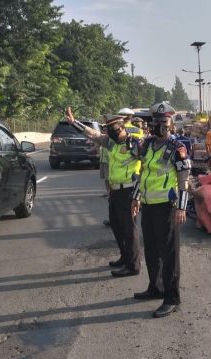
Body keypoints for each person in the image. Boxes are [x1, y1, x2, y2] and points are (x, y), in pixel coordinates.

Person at [131, 102, 191, 318]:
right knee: (152, 251)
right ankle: (155, 287)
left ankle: (172, 297)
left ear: (171, 123)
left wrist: (181, 207)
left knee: (169, 254)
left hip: (168, 207)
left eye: (163, 122)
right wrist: (136, 197)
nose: (159, 126)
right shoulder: (147, 145)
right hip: (147, 205)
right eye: (155, 122)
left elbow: (184, 180)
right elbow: (142, 173)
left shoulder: (177, 148)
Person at [65, 107, 142, 277]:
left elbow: (146, 167)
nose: (111, 133)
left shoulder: (134, 144)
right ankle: (124, 256)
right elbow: (93, 135)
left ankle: (133, 265)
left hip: (129, 191)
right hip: (115, 192)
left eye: (114, 129)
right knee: (116, 226)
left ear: (122, 127)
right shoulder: (111, 143)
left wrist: (138, 194)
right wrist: (74, 123)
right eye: (109, 130)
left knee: (129, 230)